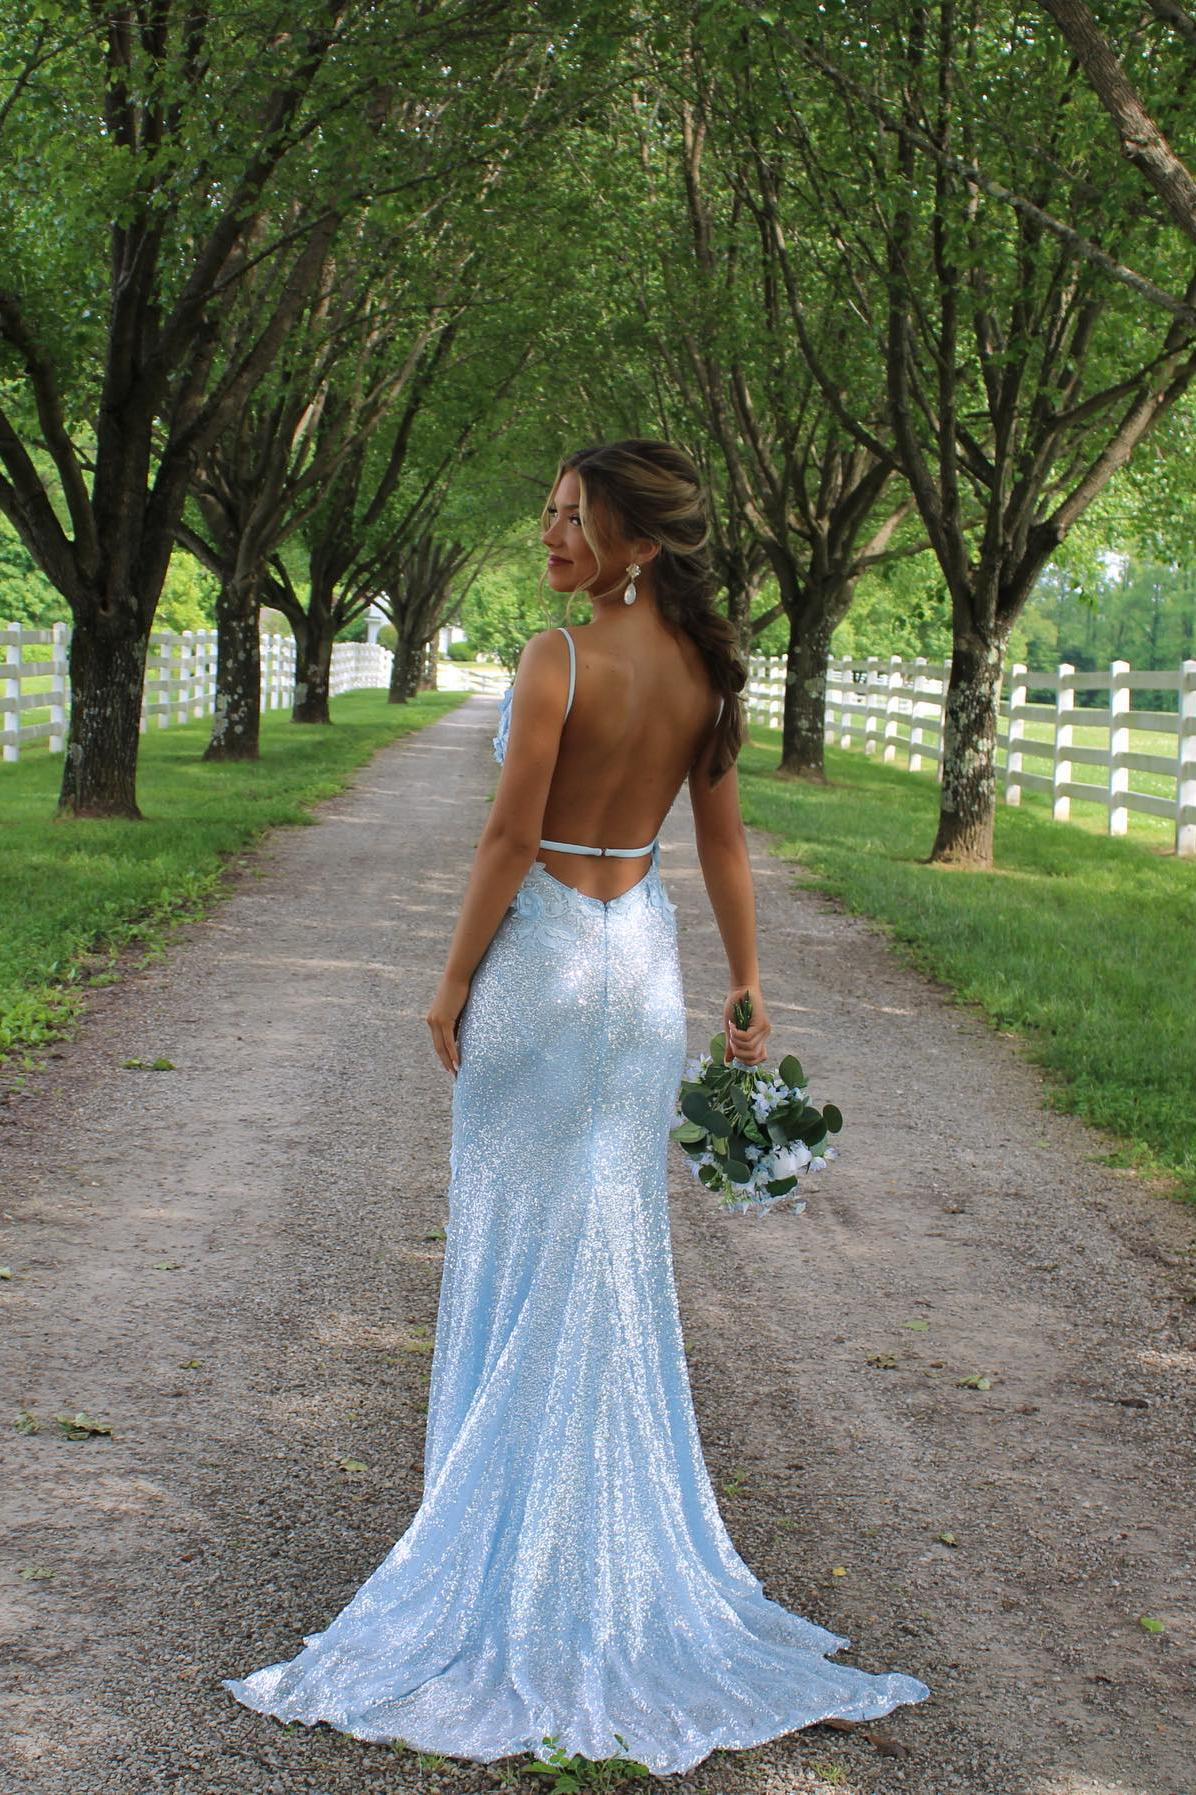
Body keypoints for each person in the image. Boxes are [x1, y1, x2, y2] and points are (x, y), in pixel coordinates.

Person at [221, 439, 930, 1774]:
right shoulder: (706, 674)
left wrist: (448, 983)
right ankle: (600, 1543)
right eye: (550, 512)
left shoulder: (556, 659)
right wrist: (749, 987)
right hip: (641, 971)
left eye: (575, 519)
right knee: (606, 1247)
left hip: (544, 967)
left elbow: (508, 836)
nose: (551, 535)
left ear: (638, 545)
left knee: (523, 1241)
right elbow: (721, 844)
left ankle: (519, 1549)